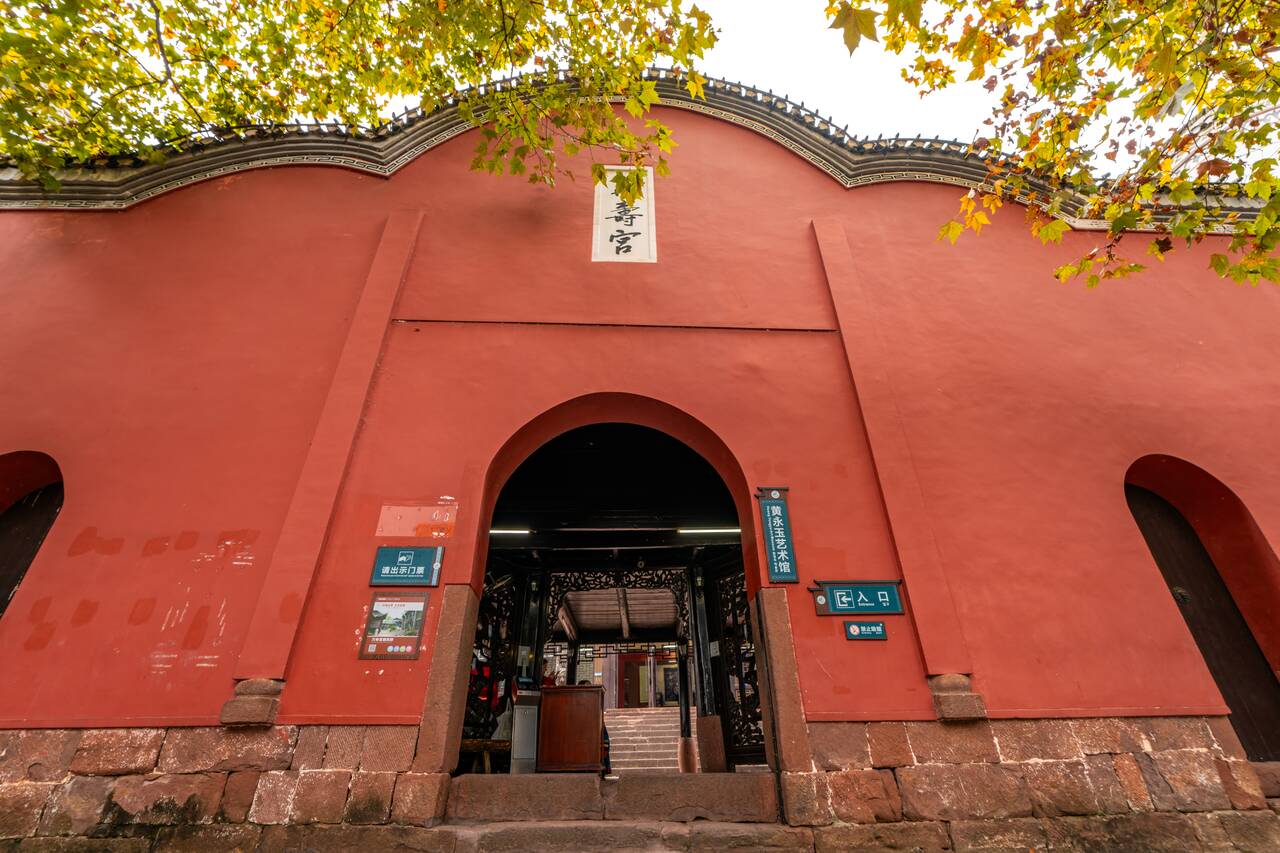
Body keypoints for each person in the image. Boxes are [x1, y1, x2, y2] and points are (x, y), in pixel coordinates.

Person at [578, 679, 610, 774]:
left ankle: (603, 767)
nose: (589, 688)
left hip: (596, 725)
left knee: (605, 741)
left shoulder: (594, 699)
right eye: (587, 686)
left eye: (590, 686)